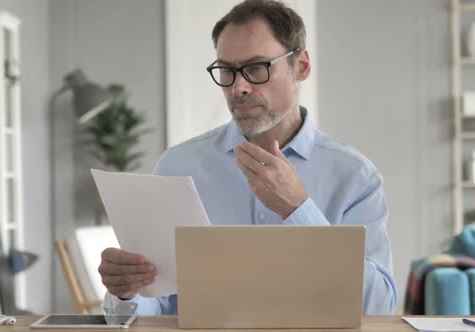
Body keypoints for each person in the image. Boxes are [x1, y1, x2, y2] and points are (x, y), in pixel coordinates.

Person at [99, 0, 397, 315]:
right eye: (226, 70)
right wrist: (126, 294)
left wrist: (299, 209)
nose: (238, 87)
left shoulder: (355, 176)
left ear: (302, 66)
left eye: (256, 68)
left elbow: (376, 308)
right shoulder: (177, 167)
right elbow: (157, 305)